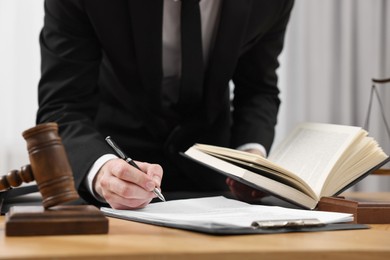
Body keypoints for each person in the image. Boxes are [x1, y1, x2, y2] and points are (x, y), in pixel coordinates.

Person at [37, 0, 294, 209]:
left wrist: (250, 155)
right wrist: (102, 170)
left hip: (218, 193)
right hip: (117, 186)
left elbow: (258, 89)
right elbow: (63, 106)